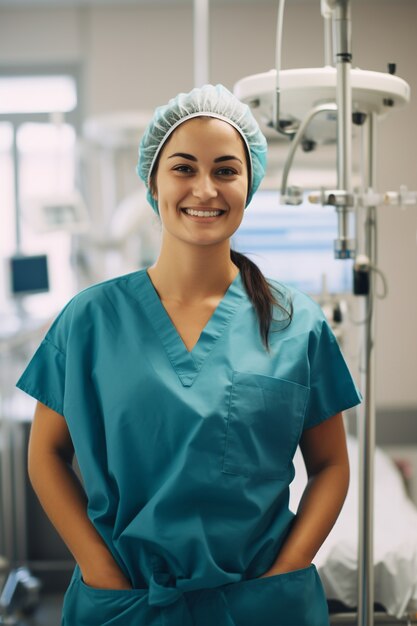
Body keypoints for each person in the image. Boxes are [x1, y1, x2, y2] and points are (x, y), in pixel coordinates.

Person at [16, 84, 362, 626]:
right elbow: (44, 455)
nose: (205, 188)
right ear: (153, 182)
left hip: (259, 604)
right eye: (183, 168)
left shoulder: (297, 323)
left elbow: (331, 464)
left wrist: (289, 566)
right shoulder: (90, 320)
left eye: (226, 170)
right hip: (128, 601)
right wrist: (98, 567)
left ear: (250, 184)